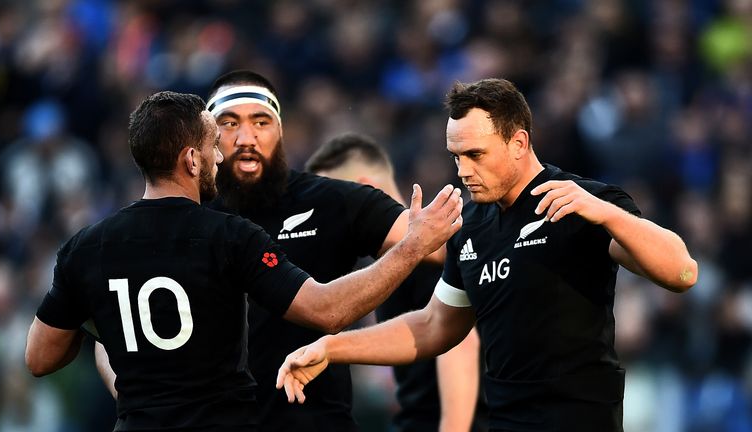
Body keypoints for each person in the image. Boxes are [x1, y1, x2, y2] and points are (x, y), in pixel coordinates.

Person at [24, 91, 464, 431]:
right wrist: (411, 247)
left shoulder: (86, 246)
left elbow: (40, 357)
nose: (221, 156)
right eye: (214, 145)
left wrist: (110, 342)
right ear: (191, 159)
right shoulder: (229, 235)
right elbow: (328, 309)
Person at [276, 78, 699, 432]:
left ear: (519, 142)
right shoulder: (472, 225)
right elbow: (433, 326)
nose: (462, 170)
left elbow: (681, 272)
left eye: (475, 155)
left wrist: (607, 213)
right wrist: (332, 347)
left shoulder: (581, 203)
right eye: (455, 156)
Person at [205, 69, 452, 431]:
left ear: (281, 131)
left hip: (315, 420)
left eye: (261, 121)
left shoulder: (327, 201)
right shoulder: (187, 214)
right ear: (208, 136)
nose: (247, 137)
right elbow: (108, 329)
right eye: (229, 123)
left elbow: (436, 245)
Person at [305, 132, 483, 432]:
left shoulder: (429, 255)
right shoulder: (393, 263)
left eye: (328, 205)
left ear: (363, 190)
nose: (324, 221)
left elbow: (460, 346)